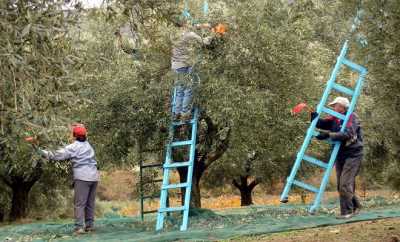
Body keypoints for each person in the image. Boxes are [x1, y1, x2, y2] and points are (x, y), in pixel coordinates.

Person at [37, 124, 99, 234]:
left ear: (74, 136)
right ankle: (89, 226)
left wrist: (38, 150)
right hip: (94, 177)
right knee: (90, 203)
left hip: (82, 177)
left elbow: (55, 155)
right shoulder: (88, 145)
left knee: (79, 204)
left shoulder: (73, 147)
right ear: (85, 135)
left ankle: (79, 228)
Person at [311, 97, 363, 219]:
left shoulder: (351, 117)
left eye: (336, 105)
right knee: (341, 184)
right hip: (340, 155)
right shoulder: (335, 117)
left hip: (353, 154)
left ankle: (347, 212)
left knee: (344, 184)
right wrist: (313, 116)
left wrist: (329, 134)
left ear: (342, 106)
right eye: (334, 106)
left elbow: (348, 134)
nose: (334, 108)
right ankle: (356, 205)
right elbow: (323, 123)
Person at [171, 17, 212, 121]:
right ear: (184, 24)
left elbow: (192, 27)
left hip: (176, 65)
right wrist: (212, 35)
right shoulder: (189, 35)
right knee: (188, 89)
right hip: (186, 64)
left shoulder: (173, 34)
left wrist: (202, 25)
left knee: (179, 89)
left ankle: (176, 113)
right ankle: (184, 113)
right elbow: (205, 42)